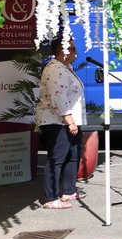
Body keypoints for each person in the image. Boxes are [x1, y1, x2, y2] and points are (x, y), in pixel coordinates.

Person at [36, 38, 87, 209]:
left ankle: (68, 191)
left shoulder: (66, 68)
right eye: (72, 48)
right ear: (63, 51)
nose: (75, 51)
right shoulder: (55, 69)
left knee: (73, 155)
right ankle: (50, 197)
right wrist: (69, 121)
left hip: (69, 120)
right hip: (56, 121)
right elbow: (58, 97)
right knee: (56, 158)